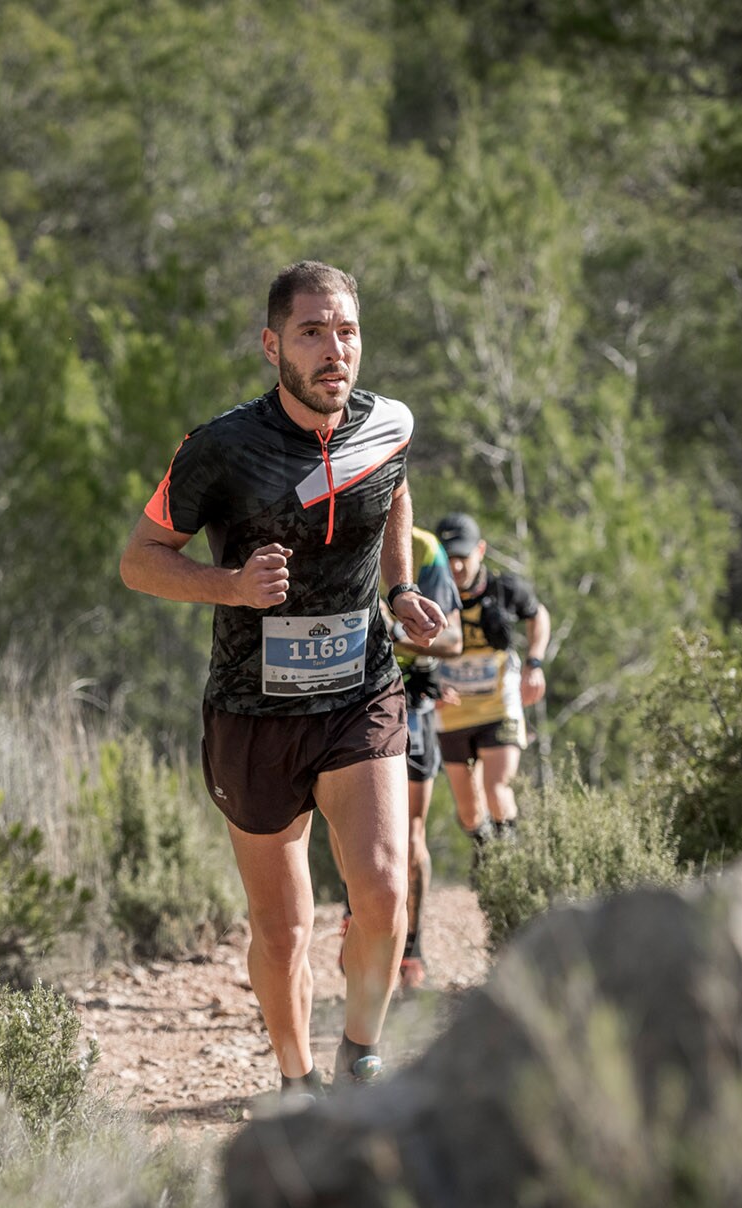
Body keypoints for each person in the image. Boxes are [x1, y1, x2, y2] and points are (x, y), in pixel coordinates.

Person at [119, 260, 447, 1095]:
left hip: (360, 690)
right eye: (312, 332)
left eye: (347, 331)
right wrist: (226, 586)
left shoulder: (390, 424)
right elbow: (140, 561)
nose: (335, 349)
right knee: (284, 927)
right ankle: (299, 1082)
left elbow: (394, 491)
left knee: (381, 885)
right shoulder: (220, 447)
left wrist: (402, 587)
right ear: (273, 345)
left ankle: (361, 1052)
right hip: (252, 711)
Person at [337, 528, 461, 990]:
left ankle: (413, 947)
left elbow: (453, 642)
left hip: (412, 702)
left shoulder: (425, 549)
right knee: (345, 825)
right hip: (353, 696)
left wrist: (389, 631)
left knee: (410, 835)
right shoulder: (331, 520)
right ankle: (355, 916)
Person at [431, 512, 550, 852]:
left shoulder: (504, 589)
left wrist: (534, 663)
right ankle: (487, 852)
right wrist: (426, 684)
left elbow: (537, 614)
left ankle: (509, 864)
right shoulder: (427, 596)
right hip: (451, 714)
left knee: (497, 787)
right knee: (469, 813)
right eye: (448, 558)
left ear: (480, 550)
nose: (455, 567)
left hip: (500, 706)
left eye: (462, 557)